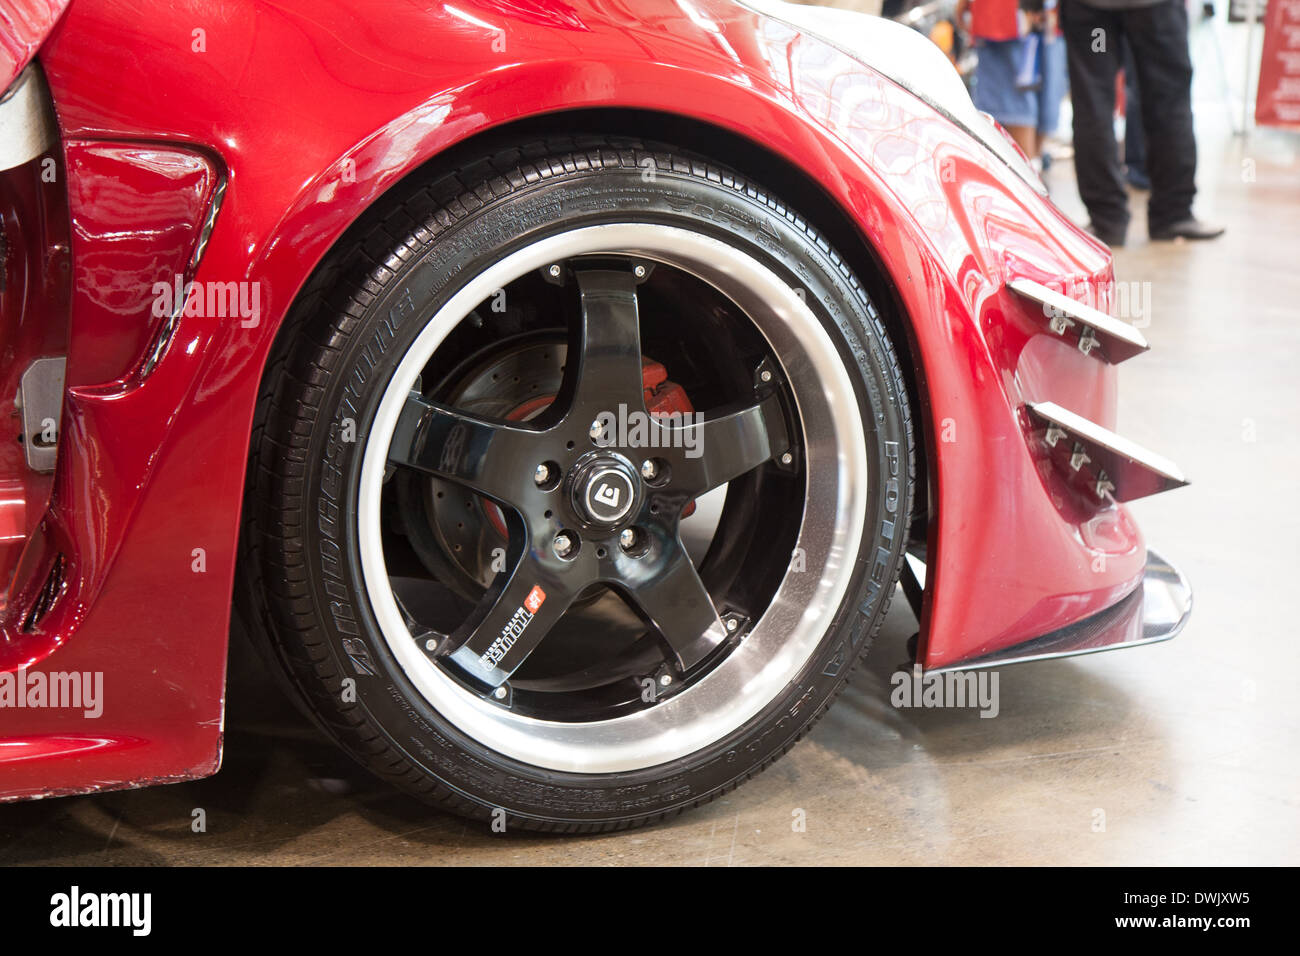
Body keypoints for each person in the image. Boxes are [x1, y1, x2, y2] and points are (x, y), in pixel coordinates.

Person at [1060, 0, 1223, 245]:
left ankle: (1106, 221)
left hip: (1090, 9)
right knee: (1168, 101)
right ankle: (1172, 214)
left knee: (1093, 101)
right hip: (1155, 7)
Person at [958, 0, 1066, 168]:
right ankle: (1031, 170)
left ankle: (1027, 176)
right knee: (1032, 94)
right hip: (1042, 15)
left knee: (1012, 104)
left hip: (1006, 15)